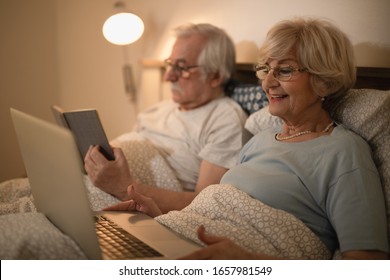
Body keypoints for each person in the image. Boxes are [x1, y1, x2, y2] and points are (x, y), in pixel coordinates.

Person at [105, 17, 389, 260]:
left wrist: (249, 262)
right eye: (266, 69)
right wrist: (157, 218)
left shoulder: (344, 151)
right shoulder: (260, 139)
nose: (268, 82)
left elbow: (367, 265)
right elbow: (215, 210)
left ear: (324, 80)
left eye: (285, 70)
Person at [85, 23, 249, 213]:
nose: (168, 77)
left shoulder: (225, 119)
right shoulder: (158, 109)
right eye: (170, 64)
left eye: (181, 67)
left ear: (215, 76)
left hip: (121, 201)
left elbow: (206, 204)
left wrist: (123, 187)